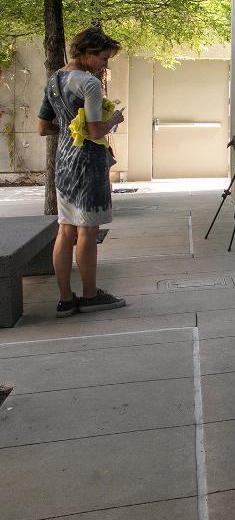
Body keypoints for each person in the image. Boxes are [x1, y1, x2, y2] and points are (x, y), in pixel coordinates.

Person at [37, 25, 127, 317]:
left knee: (65, 229)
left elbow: (43, 127)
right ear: (87, 53)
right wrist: (114, 119)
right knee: (88, 230)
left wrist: (67, 130)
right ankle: (90, 295)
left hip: (64, 161)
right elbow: (96, 130)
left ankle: (65, 299)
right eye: (103, 57)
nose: (104, 64)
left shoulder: (54, 80)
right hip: (88, 163)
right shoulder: (89, 83)